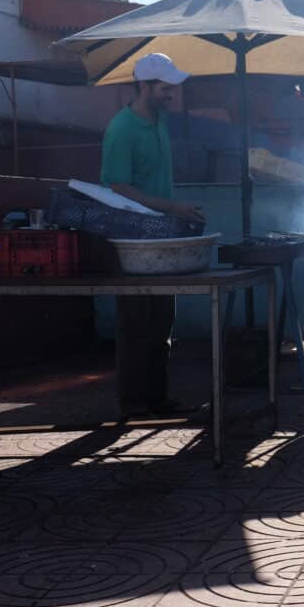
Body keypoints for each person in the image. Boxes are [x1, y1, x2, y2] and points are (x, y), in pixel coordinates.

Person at [100, 53, 205, 418]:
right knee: (136, 323)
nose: (172, 93)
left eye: (173, 87)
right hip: (131, 237)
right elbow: (116, 186)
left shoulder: (160, 120)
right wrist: (171, 206)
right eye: (165, 87)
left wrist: (173, 211)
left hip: (162, 235)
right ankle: (132, 402)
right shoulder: (122, 129)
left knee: (162, 320)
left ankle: (157, 398)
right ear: (144, 86)